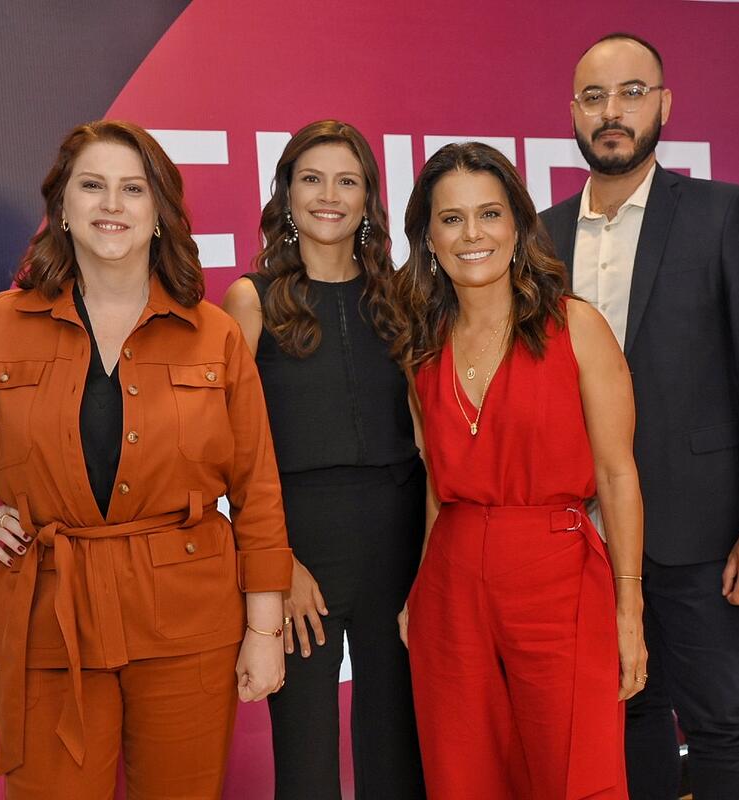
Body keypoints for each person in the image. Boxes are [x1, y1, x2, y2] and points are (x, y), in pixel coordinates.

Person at [0, 120, 292, 800]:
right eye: (93, 186)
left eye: (133, 189)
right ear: (63, 209)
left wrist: (263, 628)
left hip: (189, 621)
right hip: (51, 618)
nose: (112, 205)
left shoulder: (215, 337)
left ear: (160, 212)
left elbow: (257, 488)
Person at [539, 33, 739, 800]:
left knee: (718, 722)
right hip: (583, 532)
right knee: (628, 713)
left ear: (664, 104)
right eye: (594, 97)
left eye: (630, 92)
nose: (611, 112)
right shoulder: (541, 238)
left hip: (699, 531)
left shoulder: (722, 215)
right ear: (574, 114)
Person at [393, 141, 647, 800]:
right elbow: (433, 482)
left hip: (558, 575)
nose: (472, 234)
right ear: (428, 236)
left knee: (575, 771)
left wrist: (629, 610)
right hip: (450, 588)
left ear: (517, 226)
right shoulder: (421, 349)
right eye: (450, 219)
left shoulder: (576, 327)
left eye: (489, 214)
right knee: (462, 775)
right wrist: (421, 586)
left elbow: (618, 475)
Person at [223, 120, 426, 800]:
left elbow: (431, 442)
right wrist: (276, 564)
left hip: (397, 551)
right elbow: (226, 453)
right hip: (296, 552)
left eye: (348, 180)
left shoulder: (403, 300)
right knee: (306, 767)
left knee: (399, 756)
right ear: (285, 194)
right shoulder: (250, 301)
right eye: (311, 178)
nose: (329, 195)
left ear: (370, 197)